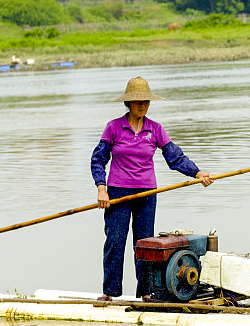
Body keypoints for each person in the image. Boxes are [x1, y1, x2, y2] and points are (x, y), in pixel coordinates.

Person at [91, 76, 213, 300]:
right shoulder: (114, 127)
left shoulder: (155, 129)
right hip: (118, 192)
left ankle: (146, 293)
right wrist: (101, 188)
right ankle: (109, 293)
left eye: (145, 101)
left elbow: (175, 157)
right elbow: (98, 159)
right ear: (128, 103)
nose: (142, 105)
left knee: (145, 245)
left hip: (147, 195)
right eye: (137, 101)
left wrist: (197, 173)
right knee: (114, 242)